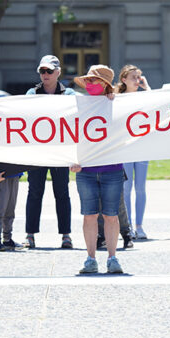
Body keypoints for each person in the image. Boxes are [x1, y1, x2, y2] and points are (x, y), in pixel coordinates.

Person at [71, 65, 124, 274]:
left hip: (112, 168)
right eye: (88, 80)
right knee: (89, 215)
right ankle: (90, 258)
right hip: (85, 169)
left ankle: (112, 258)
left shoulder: (118, 104)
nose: (90, 84)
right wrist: (71, 159)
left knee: (111, 215)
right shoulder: (78, 105)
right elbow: (68, 134)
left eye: (95, 81)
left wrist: (116, 102)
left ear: (106, 85)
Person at [24, 55, 74, 250]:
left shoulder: (69, 94)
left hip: (60, 151)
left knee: (62, 192)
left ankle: (66, 235)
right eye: (42, 71)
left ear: (58, 72)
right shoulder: (31, 93)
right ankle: (30, 235)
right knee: (34, 192)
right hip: (38, 151)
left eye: (49, 71)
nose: (45, 74)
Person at [116, 64, 151, 239]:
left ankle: (140, 225)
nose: (137, 81)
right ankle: (128, 225)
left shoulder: (144, 97)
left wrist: (147, 87)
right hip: (126, 148)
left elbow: (159, 105)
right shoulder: (117, 98)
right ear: (124, 80)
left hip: (143, 147)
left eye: (138, 77)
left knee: (140, 187)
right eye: (133, 78)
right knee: (126, 187)